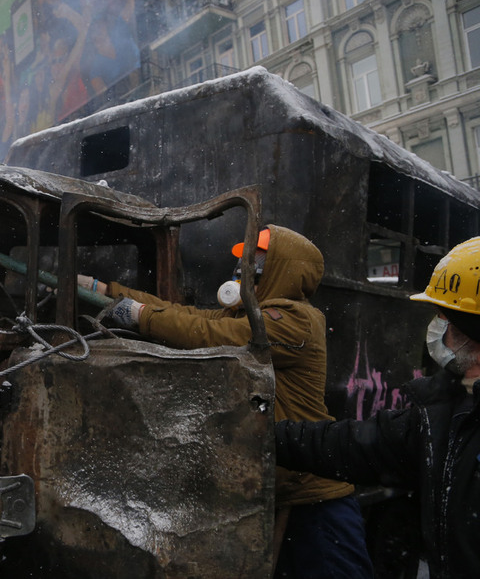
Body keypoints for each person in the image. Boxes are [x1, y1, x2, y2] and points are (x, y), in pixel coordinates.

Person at [80, 224, 373, 578]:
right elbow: (187, 315)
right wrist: (106, 291)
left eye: (258, 262)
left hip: (314, 499)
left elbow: (213, 334)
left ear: (284, 270)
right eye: (245, 262)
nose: (244, 270)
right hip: (274, 494)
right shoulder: (247, 314)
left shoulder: (296, 321)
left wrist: (140, 317)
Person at [275, 236, 480, 578]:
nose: (438, 330)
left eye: (447, 320)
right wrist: (268, 435)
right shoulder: (444, 410)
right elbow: (355, 444)